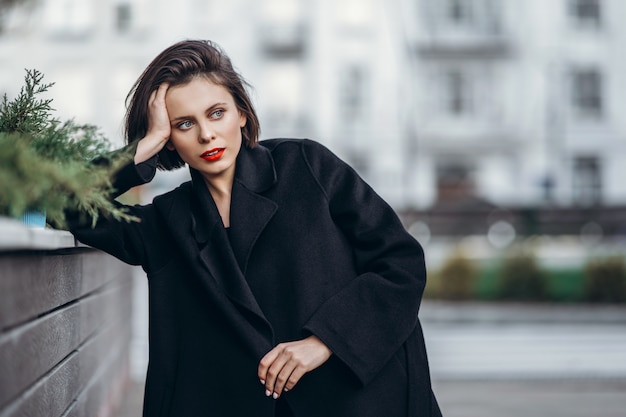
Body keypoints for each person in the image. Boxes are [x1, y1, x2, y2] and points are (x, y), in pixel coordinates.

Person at [69, 39, 442, 417]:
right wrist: (144, 146)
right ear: (170, 140)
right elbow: (62, 204)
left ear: (242, 114)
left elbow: (401, 262)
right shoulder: (167, 222)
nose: (206, 135)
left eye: (216, 113)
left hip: (358, 397)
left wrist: (324, 341)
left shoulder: (306, 167)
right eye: (184, 124)